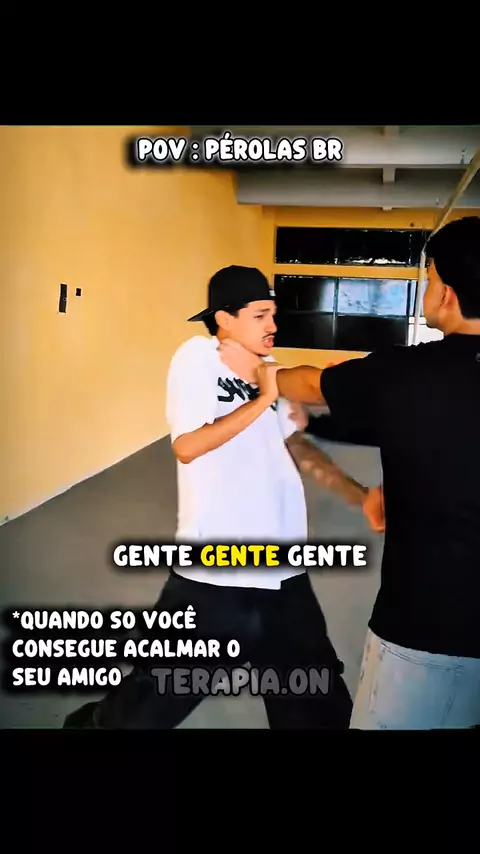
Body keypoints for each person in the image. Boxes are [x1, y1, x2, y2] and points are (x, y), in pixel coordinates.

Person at [64, 265, 378, 730]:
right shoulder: (197, 358)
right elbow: (188, 446)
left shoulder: (267, 369)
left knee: (314, 697)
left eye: (273, 314)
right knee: (154, 699)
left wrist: (360, 494)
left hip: (283, 570)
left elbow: (297, 447)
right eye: (260, 315)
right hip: (215, 571)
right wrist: (261, 398)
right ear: (225, 318)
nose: (273, 325)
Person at [223, 216, 480, 729]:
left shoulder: (405, 374)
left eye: (430, 278)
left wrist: (255, 369)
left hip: (427, 632)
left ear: (448, 294)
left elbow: (309, 384)